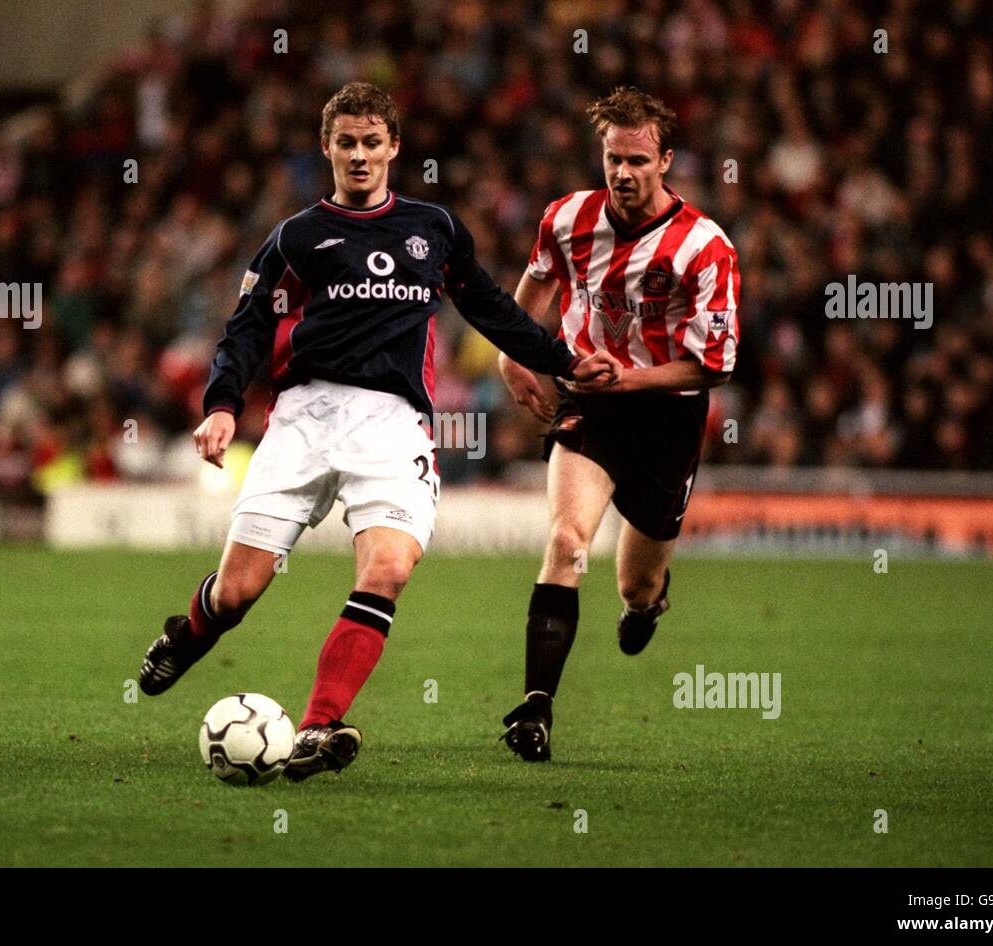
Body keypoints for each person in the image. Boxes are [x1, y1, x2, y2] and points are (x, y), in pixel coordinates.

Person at [137, 82, 617, 781]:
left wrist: (564, 361)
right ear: (326, 146)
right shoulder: (296, 239)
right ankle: (191, 633)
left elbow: (490, 309)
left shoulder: (435, 230)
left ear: (394, 146)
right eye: (346, 143)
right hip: (303, 419)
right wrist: (220, 403)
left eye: (371, 142)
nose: (359, 155)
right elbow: (248, 327)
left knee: (388, 568)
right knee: (238, 592)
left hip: (393, 427)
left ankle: (318, 725)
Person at [498, 87, 740, 761]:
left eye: (637, 160)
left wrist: (627, 376)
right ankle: (536, 709)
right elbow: (537, 288)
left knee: (635, 582)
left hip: (667, 417)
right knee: (567, 541)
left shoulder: (705, 247)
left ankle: (646, 604)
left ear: (665, 160)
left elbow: (714, 363)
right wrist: (512, 353)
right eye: (613, 158)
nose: (623, 173)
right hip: (592, 404)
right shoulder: (568, 219)